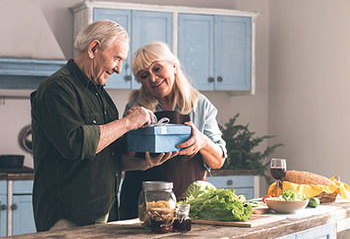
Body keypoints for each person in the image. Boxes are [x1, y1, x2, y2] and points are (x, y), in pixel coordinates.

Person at [31, 21, 176, 232]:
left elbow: (107, 159)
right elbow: (77, 143)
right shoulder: (56, 88)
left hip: (104, 217)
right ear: (93, 49)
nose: (118, 68)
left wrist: (142, 164)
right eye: (116, 58)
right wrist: (127, 123)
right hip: (66, 220)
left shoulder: (102, 97)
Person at [119, 41, 227, 219]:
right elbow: (122, 161)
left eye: (157, 68)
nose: (152, 78)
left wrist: (202, 142)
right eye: (144, 75)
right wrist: (132, 126)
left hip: (186, 207)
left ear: (174, 66)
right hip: (142, 207)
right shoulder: (135, 107)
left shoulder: (200, 106)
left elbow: (218, 161)